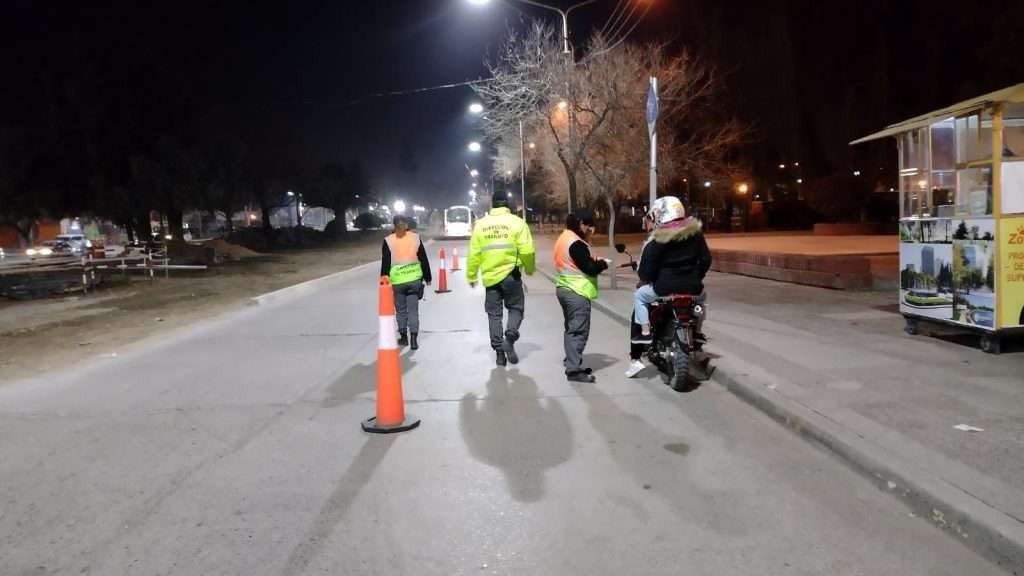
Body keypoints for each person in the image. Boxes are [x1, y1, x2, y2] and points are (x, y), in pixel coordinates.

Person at [626, 196, 711, 378]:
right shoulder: (695, 234)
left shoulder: (657, 239)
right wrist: (696, 276)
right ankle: (696, 334)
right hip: (693, 287)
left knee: (640, 297)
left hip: (663, 289)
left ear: (660, 214)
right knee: (701, 300)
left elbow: (646, 273)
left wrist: (648, 278)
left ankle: (638, 352)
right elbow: (706, 260)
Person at [467, 190, 536, 366]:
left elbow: (474, 253)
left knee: (494, 315)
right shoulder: (518, 223)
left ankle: (499, 354)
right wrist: (529, 268)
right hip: (511, 276)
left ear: (492, 204)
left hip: (491, 279)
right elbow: (527, 251)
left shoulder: (481, 225)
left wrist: (472, 275)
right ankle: (510, 337)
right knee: (516, 308)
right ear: (507, 205)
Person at [554, 210, 610, 383]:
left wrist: (594, 260)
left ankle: (571, 360)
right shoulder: (575, 243)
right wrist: (602, 264)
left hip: (564, 288)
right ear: (581, 224)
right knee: (578, 330)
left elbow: (577, 261)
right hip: (576, 291)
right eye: (588, 225)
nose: (589, 229)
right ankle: (573, 370)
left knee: (571, 327)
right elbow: (588, 268)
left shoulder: (564, 237)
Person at [380, 215, 432, 350]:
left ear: (394, 226)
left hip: (398, 282)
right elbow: (423, 259)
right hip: (414, 280)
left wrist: (384, 280)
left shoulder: (388, 241)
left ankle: (404, 338)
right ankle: (414, 339)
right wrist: (428, 277)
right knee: (413, 311)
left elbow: (385, 263)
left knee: (401, 311)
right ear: (407, 225)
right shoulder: (415, 238)